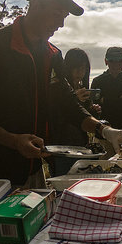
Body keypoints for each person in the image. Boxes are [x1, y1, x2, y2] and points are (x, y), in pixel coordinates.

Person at [0, 0, 122, 187]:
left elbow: (67, 103)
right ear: (36, 5)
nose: (61, 24)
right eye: (58, 14)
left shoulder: (52, 55)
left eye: (65, 17)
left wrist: (104, 130)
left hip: (34, 169)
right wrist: (14, 141)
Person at [49, 48, 99, 176]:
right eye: (75, 68)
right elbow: (56, 115)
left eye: (82, 68)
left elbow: (83, 119)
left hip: (81, 146)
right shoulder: (59, 88)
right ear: (67, 67)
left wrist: (93, 111)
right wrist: (73, 99)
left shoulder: (82, 89)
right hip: (62, 149)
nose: (79, 72)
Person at [90, 46, 122, 141]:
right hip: (103, 134)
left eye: (119, 60)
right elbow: (94, 108)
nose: (116, 63)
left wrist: (106, 100)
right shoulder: (97, 81)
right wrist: (121, 100)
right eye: (112, 60)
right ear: (106, 61)